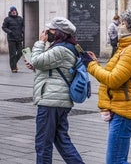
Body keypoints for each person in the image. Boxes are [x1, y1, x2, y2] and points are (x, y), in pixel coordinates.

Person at [80, 9, 131, 164]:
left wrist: (90, 66)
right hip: (122, 108)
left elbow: (113, 80)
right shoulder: (126, 48)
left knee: (115, 161)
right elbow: (115, 75)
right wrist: (96, 64)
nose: (119, 25)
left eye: (123, 23)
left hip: (125, 111)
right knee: (118, 159)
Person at [26, 17, 85, 164]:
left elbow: (38, 61)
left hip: (51, 101)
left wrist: (40, 43)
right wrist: (35, 67)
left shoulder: (60, 49)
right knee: (62, 141)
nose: (46, 32)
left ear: (59, 32)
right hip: (59, 100)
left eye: (50, 30)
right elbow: (52, 70)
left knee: (43, 144)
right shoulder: (67, 47)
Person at [2, 6, 24, 73]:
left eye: (15, 10)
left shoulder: (20, 18)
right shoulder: (7, 19)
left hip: (19, 38)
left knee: (20, 52)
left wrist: (22, 31)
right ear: (10, 12)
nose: (14, 11)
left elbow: (23, 26)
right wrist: (10, 32)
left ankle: (14, 63)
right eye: (13, 11)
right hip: (11, 39)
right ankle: (13, 68)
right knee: (13, 54)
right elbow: (3, 27)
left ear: (16, 11)